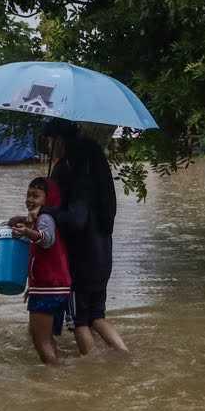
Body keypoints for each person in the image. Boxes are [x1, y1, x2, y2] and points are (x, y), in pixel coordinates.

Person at [42, 118, 128, 355]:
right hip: (103, 254)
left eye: (50, 140)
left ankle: (92, 374)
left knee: (79, 322)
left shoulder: (70, 168)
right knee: (97, 316)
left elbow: (76, 219)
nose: (49, 146)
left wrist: (47, 210)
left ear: (59, 139)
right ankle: (125, 356)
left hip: (80, 262)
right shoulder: (97, 162)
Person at [9, 177, 72, 365]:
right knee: (46, 338)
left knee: (40, 341)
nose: (29, 200)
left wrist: (27, 232)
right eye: (28, 195)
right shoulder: (45, 218)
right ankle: (60, 369)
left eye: (35, 196)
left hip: (48, 287)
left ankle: (54, 377)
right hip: (54, 287)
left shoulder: (45, 218)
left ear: (48, 199)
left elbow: (47, 239)